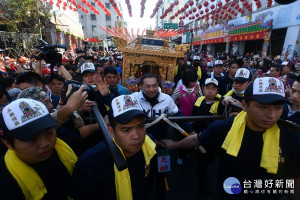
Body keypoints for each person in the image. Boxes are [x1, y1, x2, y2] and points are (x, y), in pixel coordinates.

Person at [161, 77, 300, 199]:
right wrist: (174, 145)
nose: (272, 115)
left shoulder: (291, 138)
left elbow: (294, 181)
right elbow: (196, 139)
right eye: (263, 107)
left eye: (277, 107)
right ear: (244, 105)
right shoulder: (223, 128)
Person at [70, 94, 157, 200]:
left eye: (141, 126)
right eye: (126, 130)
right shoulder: (90, 163)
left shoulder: (149, 145)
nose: (137, 136)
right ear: (111, 131)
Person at [0, 98, 78, 199]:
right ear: (8, 144)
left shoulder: (65, 145)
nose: (45, 143)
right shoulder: (6, 183)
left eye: (50, 133)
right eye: (32, 139)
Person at [134, 73, 196, 140]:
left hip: (162, 139)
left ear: (158, 85)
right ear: (141, 86)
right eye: (148, 86)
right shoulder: (134, 99)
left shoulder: (166, 99)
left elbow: (178, 115)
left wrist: (191, 131)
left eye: (154, 86)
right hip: (141, 139)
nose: (151, 89)